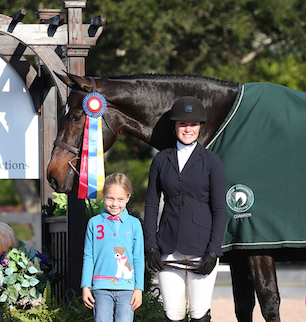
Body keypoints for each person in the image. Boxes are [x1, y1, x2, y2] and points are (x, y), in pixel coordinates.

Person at [143, 96, 226, 322]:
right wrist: (151, 245)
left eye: (193, 124)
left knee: (199, 314)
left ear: (200, 127)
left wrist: (213, 250)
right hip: (168, 246)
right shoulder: (161, 160)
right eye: (182, 124)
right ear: (174, 126)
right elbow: (151, 205)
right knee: (173, 314)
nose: (188, 129)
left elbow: (219, 209)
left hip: (202, 248)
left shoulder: (212, 161)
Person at [81, 173, 145, 322]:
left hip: (127, 289)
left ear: (128, 198)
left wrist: (139, 288)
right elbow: (88, 256)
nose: (115, 203)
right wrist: (85, 286)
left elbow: (138, 258)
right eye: (110, 198)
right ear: (103, 196)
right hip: (100, 288)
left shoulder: (135, 224)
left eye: (120, 199)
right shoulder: (94, 223)